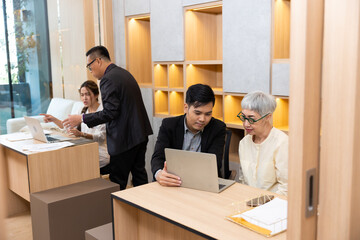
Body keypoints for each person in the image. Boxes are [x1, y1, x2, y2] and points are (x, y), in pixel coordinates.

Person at [62, 46, 153, 190]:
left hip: (124, 139)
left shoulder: (107, 79)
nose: (90, 71)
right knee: (140, 177)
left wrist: (82, 118)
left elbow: (110, 112)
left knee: (117, 182)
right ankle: (144, 210)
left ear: (98, 61)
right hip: (139, 134)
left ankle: (116, 212)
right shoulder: (124, 74)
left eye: (89, 66)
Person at [151, 84, 226, 187]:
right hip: (173, 182)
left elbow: (214, 165)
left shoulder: (217, 128)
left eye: (208, 114)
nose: (202, 119)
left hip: (203, 184)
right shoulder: (169, 125)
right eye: (197, 113)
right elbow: (157, 157)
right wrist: (159, 174)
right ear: (186, 108)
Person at [41, 80, 110, 174]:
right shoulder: (82, 110)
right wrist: (53, 119)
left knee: (70, 163)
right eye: (82, 95)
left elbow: (101, 137)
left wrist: (82, 134)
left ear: (96, 95)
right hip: (85, 150)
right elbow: (67, 126)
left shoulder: (102, 112)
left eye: (87, 94)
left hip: (99, 154)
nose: (84, 98)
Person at [237, 91, 288, 195]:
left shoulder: (282, 143)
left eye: (251, 119)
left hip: (273, 204)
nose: (246, 124)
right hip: (248, 201)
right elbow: (243, 180)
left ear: (268, 117)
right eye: (243, 118)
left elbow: (286, 187)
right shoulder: (244, 143)